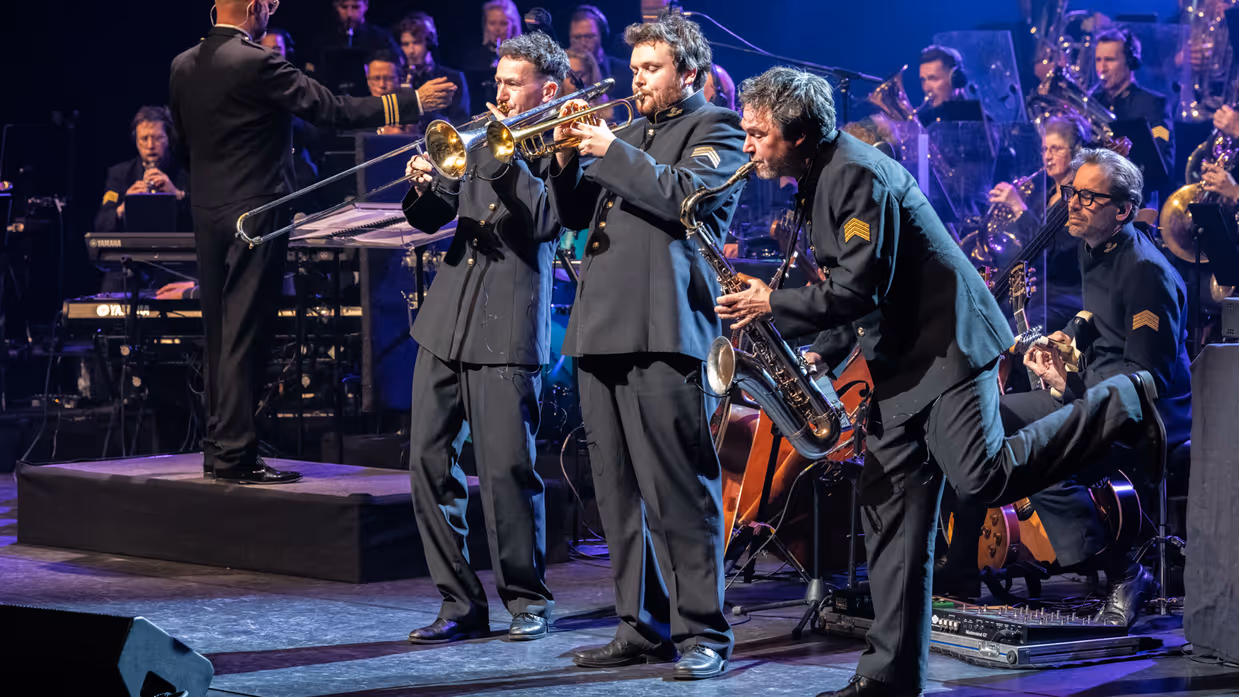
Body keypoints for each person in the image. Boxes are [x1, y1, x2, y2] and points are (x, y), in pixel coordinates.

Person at [717, 66, 1162, 697]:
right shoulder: (821, 175)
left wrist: (772, 304)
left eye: (758, 133)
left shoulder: (856, 173)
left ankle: (1120, 400)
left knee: (982, 476)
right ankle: (888, 678)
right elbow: (862, 285)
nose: (749, 144)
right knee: (892, 516)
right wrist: (827, 350)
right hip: (902, 362)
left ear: (798, 133)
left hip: (948, 349)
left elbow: (858, 285)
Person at [547, 9, 747, 681]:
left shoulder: (715, 127)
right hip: (600, 327)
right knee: (617, 491)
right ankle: (640, 623)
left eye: (651, 68)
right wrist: (562, 160)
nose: (637, 81)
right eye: (633, 68)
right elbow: (572, 215)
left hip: (665, 328)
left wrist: (611, 151)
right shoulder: (624, 132)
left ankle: (703, 632)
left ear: (686, 71)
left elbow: (688, 199)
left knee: (680, 489)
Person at [170, 0, 419, 484]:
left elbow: (182, 145)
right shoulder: (258, 60)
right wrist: (408, 101)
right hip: (256, 209)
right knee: (248, 330)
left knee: (220, 329)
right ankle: (237, 455)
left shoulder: (182, 64)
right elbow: (334, 110)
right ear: (257, 9)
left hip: (205, 210)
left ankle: (218, 445)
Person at [938, 149, 1191, 626]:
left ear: (1123, 210)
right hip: (1092, 398)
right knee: (971, 423)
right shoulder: (1092, 248)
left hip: (1143, 416)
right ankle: (961, 569)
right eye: (1072, 192)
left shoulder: (1146, 271)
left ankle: (1126, 572)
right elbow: (1101, 325)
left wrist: (1071, 382)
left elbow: (1146, 380)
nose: (1072, 205)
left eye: (1089, 198)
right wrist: (1068, 343)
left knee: (1041, 455)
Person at [400, 30, 567, 646]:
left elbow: (549, 221)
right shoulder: (471, 137)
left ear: (545, 90)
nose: (498, 90)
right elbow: (427, 217)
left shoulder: (560, 144)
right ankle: (458, 601)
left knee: (506, 473)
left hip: (509, 323)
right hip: (446, 319)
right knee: (427, 461)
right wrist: (421, 183)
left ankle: (527, 599)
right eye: (496, 79)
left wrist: (505, 165)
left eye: (511, 81)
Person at [1089, 29, 1174, 199]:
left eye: (1110, 60)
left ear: (1130, 62)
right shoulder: (1092, 102)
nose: (1101, 68)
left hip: (1135, 200)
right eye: (1098, 60)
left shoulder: (1153, 104)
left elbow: (1163, 163)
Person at [95, 106, 189, 233]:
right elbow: (101, 224)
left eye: (158, 138)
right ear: (136, 141)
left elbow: (208, 221)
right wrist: (124, 208)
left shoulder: (187, 172)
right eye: (144, 139)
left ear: (169, 139)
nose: (150, 146)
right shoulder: (120, 174)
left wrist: (177, 195)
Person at [396, 12, 470, 129]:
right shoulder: (396, 77)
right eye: (405, 44)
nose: (410, 51)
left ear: (429, 43)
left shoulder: (453, 77)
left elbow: (461, 121)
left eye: (416, 43)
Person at [463, 0, 523, 115]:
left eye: (503, 23)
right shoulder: (473, 57)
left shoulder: (523, 57)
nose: (497, 29)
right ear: (485, 25)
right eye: (492, 23)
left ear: (513, 25)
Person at [569, 5, 632, 99]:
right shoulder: (560, 73)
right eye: (577, 38)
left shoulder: (624, 71)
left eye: (589, 36)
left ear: (601, 36)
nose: (582, 43)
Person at [916, 44, 968, 125]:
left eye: (933, 79)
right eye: (923, 80)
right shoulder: (923, 119)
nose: (926, 88)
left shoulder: (981, 120)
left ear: (956, 79)